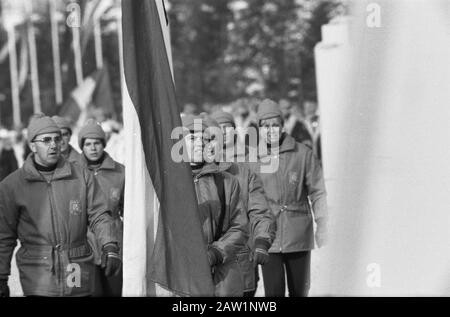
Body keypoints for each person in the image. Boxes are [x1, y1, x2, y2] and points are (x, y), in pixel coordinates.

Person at [0, 114, 121, 297]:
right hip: (38, 273)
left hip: (77, 266)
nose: (54, 145)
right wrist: (1, 275)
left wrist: (110, 246)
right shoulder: (12, 186)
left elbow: (99, 214)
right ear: (33, 145)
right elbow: (4, 236)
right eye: (46, 140)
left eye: (57, 139)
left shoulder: (81, 176)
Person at [254, 99, 328, 297]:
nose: (271, 130)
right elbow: (247, 197)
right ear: (259, 129)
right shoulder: (253, 160)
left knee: (300, 290)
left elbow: (318, 190)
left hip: (298, 233)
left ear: (282, 125)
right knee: (274, 292)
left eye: (275, 125)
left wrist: (322, 222)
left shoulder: (302, 154)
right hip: (268, 235)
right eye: (265, 126)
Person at [210, 111, 276, 297]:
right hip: (201, 267)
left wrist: (262, 241)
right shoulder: (187, 177)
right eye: (209, 137)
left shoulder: (244, 172)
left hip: (239, 260)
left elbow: (260, 211)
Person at [181, 115, 248, 297]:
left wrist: (215, 253)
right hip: (184, 274)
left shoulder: (227, 182)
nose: (200, 143)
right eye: (193, 138)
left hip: (222, 274)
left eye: (204, 138)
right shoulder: (170, 185)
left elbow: (240, 226)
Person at [78, 119, 124, 297]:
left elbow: (128, 211)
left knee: (114, 291)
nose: (93, 148)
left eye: (97, 143)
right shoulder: (73, 173)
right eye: (88, 144)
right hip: (84, 243)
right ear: (82, 146)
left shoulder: (120, 172)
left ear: (103, 144)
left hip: (113, 243)